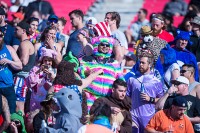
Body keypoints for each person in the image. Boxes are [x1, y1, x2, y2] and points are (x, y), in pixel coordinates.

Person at [78, 36, 124, 112]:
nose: (105, 47)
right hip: (90, 98)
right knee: (88, 119)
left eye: (107, 45)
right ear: (97, 45)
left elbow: (121, 80)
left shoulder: (114, 63)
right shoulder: (86, 60)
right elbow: (80, 73)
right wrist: (86, 72)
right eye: (102, 45)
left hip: (107, 99)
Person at [127, 53, 164, 133]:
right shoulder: (132, 79)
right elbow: (127, 96)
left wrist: (150, 99)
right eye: (140, 62)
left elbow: (162, 100)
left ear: (150, 64)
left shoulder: (156, 82)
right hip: (133, 116)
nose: (140, 65)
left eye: (143, 63)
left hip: (148, 117)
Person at [14, 21, 35, 114]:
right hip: (24, 78)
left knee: (18, 105)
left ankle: (19, 128)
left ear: (23, 31)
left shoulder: (24, 44)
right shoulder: (26, 43)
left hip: (21, 78)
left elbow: (23, 62)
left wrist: (11, 62)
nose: (15, 31)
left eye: (17, 29)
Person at [0, 28, 22, 114]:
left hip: (8, 87)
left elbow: (20, 65)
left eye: (1, 36)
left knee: (11, 112)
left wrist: (9, 61)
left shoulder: (8, 48)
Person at [27, 47, 57, 111]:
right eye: (45, 60)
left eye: (49, 61)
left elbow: (56, 85)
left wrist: (52, 77)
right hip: (36, 99)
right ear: (42, 60)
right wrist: (39, 71)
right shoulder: (36, 69)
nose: (47, 62)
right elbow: (31, 81)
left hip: (48, 99)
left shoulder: (55, 71)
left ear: (52, 61)